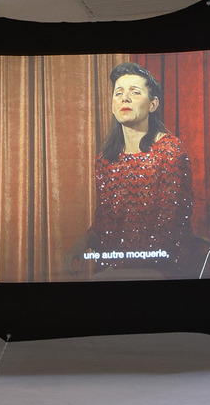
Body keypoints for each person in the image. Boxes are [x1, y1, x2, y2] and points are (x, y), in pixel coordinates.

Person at [84, 62, 201, 279]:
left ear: (153, 104)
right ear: (112, 105)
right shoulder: (105, 159)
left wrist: (121, 267)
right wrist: (81, 244)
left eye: (135, 92)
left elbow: (170, 224)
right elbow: (103, 223)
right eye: (118, 93)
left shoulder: (170, 150)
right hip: (116, 267)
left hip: (162, 265)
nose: (125, 98)